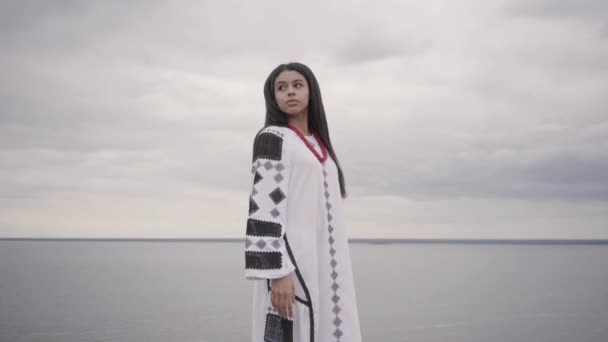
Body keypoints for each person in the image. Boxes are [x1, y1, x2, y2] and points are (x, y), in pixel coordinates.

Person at [243, 62, 362, 342]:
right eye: (281, 88)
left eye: (297, 85)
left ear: (311, 92)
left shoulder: (321, 145)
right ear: (273, 97)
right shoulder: (272, 138)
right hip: (292, 265)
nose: (290, 92)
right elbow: (262, 209)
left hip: (328, 264)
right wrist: (278, 273)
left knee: (333, 324)